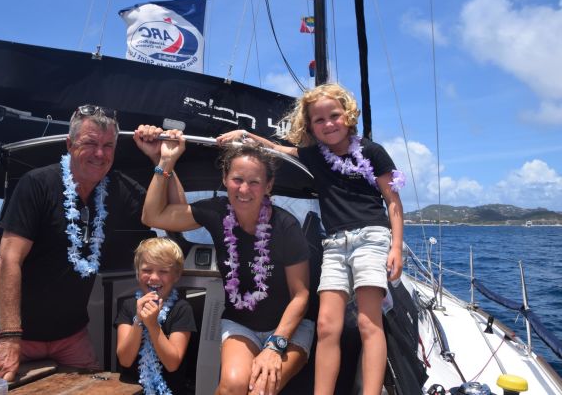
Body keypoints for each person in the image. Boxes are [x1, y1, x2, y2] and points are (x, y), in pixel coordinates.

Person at [217, 83, 405, 395]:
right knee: (326, 326)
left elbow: (393, 200)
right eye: (319, 120)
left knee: (369, 324)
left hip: (372, 237)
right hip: (333, 243)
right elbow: (278, 150)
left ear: (348, 115)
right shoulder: (315, 155)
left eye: (334, 115)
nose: (328, 124)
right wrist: (245, 136)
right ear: (310, 127)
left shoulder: (372, 152)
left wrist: (396, 246)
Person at [0, 106, 184, 382]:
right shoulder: (37, 185)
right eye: (90, 143)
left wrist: (162, 159)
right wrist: (10, 338)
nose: (100, 154)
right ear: (69, 144)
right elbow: (8, 260)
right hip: (16, 336)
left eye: (107, 145)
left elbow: (176, 216)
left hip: (71, 335)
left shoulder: (118, 189)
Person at [142, 138, 313, 395]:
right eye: (237, 179)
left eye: (254, 182)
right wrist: (165, 161)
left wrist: (275, 346)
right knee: (232, 386)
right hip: (241, 323)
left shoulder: (285, 227)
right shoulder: (216, 212)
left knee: (261, 390)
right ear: (225, 179)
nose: (244, 189)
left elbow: (301, 296)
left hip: (290, 328)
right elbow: (152, 216)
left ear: (268, 186)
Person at [115, 237, 197, 394]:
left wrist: (152, 325)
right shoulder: (128, 306)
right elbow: (125, 360)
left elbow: (172, 363)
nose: (154, 277)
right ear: (138, 272)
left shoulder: (182, 309)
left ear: (176, 275)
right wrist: (139, 319)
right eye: (146, 270)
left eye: (163, 271)